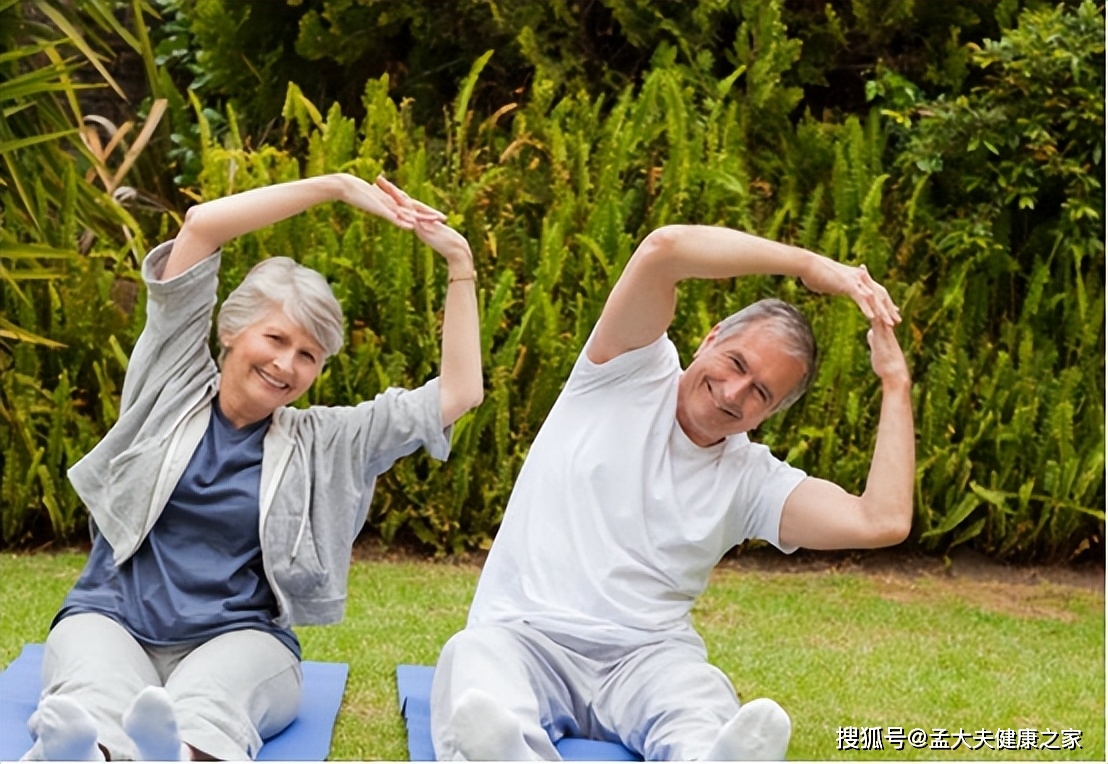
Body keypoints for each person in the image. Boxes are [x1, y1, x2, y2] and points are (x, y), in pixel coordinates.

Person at [23, 173, 483, 761]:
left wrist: (459, 263)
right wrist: (337, 187)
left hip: (239, 637)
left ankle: (177, 753)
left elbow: (460, 392)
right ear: (232, 331)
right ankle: (91, 754)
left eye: (308, 355)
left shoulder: (325, 442)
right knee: (92, 696)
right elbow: (202, 226)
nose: (286, 364)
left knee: (209, 703)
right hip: (111, 617)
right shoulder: (170, 385)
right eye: (276, 338)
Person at [430, 224, 913, 761]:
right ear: (709, 339)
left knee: (699, 696)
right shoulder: (625, 369)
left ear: (772, 413)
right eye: (736, 364)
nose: (734, 393)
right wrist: (807, 264)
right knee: (473, 662)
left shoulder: (751, 481)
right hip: (525, 636)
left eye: (760, 393)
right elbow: (664, 250)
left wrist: (895, 382)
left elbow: (882, 520)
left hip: (648, 658)